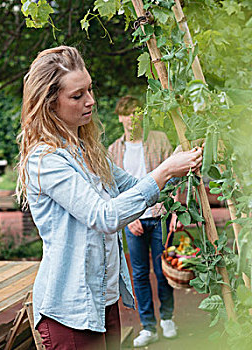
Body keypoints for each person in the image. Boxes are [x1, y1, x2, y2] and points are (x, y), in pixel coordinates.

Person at [16, 46, 202, 350]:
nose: (91, 100)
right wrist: (166, 170)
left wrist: (180, 164)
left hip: (102, 298)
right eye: (77, 96)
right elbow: (103, 216)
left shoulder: (88, 150)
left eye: (89, 89)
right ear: (49, 104)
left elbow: (135, 187)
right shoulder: (46, 160)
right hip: (69, 309)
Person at [108, 96, 179, 347]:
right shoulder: (114, 150)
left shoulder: (159, 139)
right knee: (138, 274)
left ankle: (167, 318)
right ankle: (148, 326)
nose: (131, 119)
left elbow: (174, 178)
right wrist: (128, 220)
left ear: (142, 115)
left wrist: (176, 213)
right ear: (120, 117)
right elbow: (113, 190)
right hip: (134, 222)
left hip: (160, 215)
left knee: (162, 271)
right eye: (126, 114)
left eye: (136, 113)